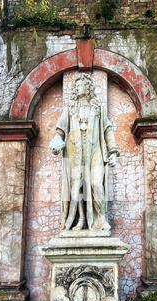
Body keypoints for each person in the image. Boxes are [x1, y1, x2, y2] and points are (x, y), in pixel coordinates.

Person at [49, 73, 119, 231]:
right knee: (77, 188)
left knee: (96, 184)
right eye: (76, 85)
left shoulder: (98, 108)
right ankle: (80, 220)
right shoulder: (70, 108)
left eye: (80, 84)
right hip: (75, 153)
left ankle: (100, 219)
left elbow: (108, 129)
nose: (77, 87)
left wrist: (113, 151)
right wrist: (56, 144)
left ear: (88, 88)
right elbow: (60, 132)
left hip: (95, 152)